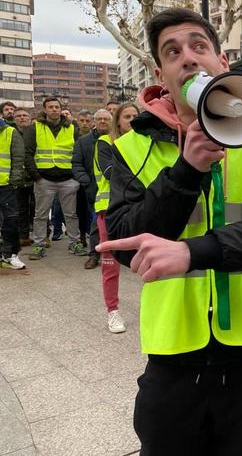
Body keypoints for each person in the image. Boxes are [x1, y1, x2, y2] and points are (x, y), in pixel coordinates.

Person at [97, 7, 242, 453]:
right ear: (161, 74)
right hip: (175, 349)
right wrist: (186, 170)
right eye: (172, 52)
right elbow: (123, 239)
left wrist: (194, 253)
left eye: (199, 46)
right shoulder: (129, 148)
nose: (188, 58)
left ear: (222, 62)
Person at [94, 103, 139, 332]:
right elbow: (111, 173)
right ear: (118, 121)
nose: (131, 120)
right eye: (127, 116)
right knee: (110, 264)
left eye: (135, 116)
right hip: (109, 209)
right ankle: (113, 311)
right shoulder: (104, 143)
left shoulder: (146, 144)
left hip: (140, 207)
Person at [25, 97, 87, 260]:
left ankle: (74, 242)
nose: (54, 109)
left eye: (57, 107)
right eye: (50, 107)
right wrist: (36, 177)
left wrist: (75, 177)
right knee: (40, 215)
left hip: (68, 180)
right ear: (45, 109)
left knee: (71, 214)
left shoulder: (72, 128)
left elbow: (78, 153)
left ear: (61, 109)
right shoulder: (35, 128)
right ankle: (39, 245)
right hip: (44, 180)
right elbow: (28, 154)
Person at [73, 109, 112, 269]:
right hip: (95, 190)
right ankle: (94, 255)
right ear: (94, 122)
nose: (102, 121)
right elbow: (76, 164)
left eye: (106, 119)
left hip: (117, 189)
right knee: (96, 224)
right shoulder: (83, 141)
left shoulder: (118, 139)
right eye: (99, 119)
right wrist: (86, 182)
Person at [0, 116, 26, 269]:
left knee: (11, 220)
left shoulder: (10, 132)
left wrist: (13, 180)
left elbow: (18, 158)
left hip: (5, 185)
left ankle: (11, 254)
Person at [13, 108, 33, 246]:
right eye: (18, 116)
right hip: (18, 178)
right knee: (21, 208)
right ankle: (23, 235)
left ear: (30, 118)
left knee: (38, 209)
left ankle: (43, 236)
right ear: (14, 119)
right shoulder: (11, 133)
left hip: (35, 176)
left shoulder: (35, 132)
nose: (22, 118)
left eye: (25, 115)